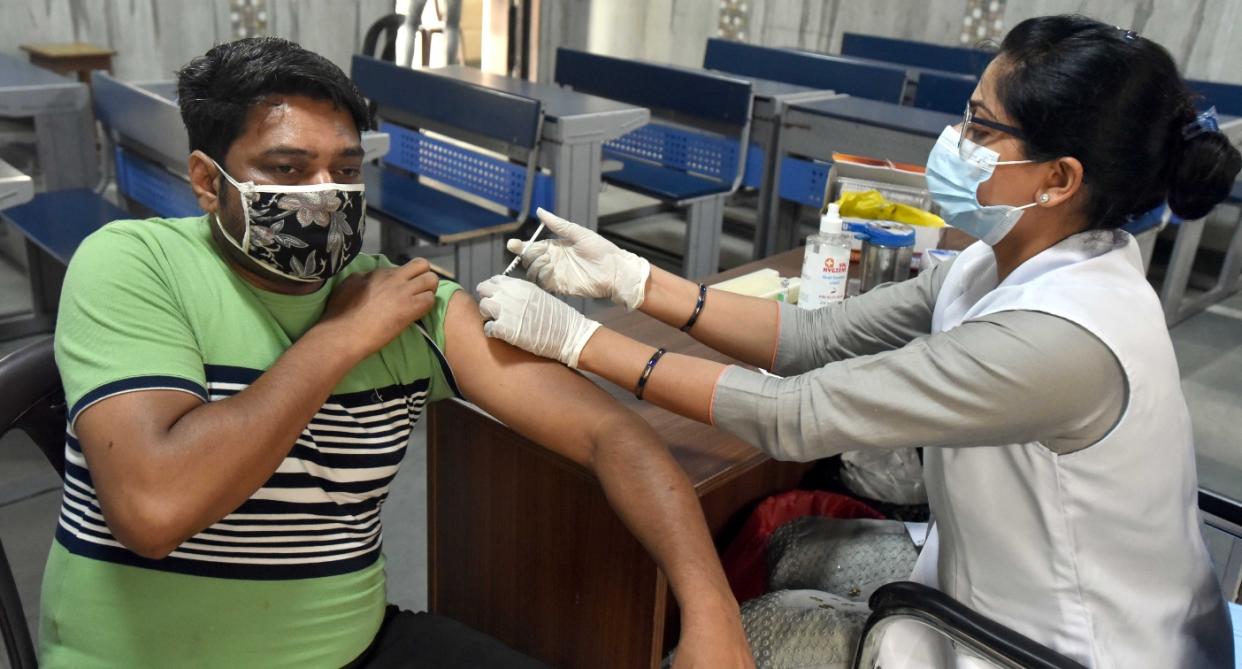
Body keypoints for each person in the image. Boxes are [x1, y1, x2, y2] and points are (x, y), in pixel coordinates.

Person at [477, 15, 1241, 668]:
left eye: (980, 127)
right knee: (786, 543)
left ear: (1057, 178)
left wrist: (576, 340)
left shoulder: (1062, 341)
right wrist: (637, 282)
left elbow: (793, 413)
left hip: (1064, 643)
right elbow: (814, 337)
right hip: (992, 570)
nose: (956, 141)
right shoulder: (1003, 261)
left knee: (746, 633)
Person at [40, 37, 753, 668]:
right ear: (206, 180)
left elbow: (609, 433)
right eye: (287, 170)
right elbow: (154, 508)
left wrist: (713, 616)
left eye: (344, 169)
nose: (325, 196)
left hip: (349, 647)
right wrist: (340, 337)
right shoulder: (135, 266)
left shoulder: (405, 303)